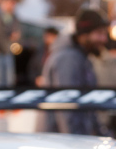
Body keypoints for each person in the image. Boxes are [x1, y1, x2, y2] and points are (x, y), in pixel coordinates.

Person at [35, 7, 108, 135]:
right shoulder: (68, 59)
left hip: (66, 143)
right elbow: (67, 109)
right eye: (99, 33)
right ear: (84, 34)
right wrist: (78, 144)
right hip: (61, 145)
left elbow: (88, 106)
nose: (104, 39)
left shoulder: (81, 57)